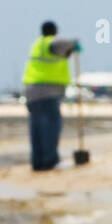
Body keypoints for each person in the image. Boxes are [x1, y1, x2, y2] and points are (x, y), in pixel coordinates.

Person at [22, 20, 81, 171]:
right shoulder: (52, 42)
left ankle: (37, 162)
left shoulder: (37, 45)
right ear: (55, 31)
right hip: (47, 91)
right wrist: (74, 45)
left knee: (36, 128)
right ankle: (50, 161)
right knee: (50, 126)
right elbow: (68, 42)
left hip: (31, 91)